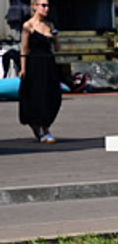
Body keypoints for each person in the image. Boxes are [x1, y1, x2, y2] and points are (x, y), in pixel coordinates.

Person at [17, 0, 59, 143]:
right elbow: (24, 48)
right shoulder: (28, 26)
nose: (46, 8)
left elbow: (58, 48)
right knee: (37, 96)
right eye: (43, 5)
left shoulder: (50, 25)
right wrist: (23, 68)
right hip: (35, 64)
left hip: (49, 63)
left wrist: (56, 37)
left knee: (53, 96)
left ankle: (44, 125)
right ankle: (43, 129)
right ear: (35, 7)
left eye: (48, 5)